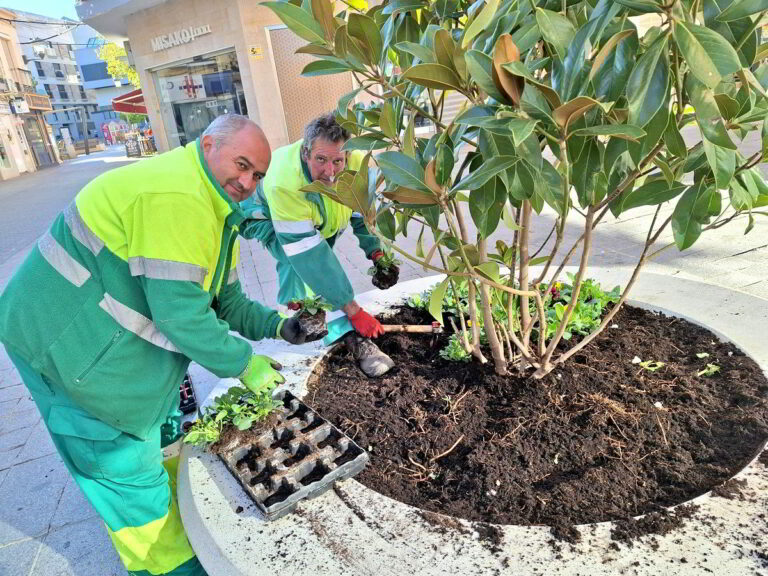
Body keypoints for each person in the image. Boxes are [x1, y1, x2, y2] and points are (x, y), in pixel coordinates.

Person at [0, 114, 307, 576]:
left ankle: (174, 513)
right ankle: (167, 565)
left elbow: (223, 298)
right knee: (126, 476)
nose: (247, 182)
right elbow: (180, 313)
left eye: (257, 175)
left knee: (162, 442)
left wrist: (279, 327)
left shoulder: (214, 204)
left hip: (109, 353)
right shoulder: (176, 198)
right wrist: (245, 363)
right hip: (65, 353)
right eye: (241, 165)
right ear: (208, 145)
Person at [239, 113, 400, 377]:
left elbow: (363, 216)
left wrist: (377, 254)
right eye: (321, 160)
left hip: (320, 219)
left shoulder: (356, 164)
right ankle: (346, 335)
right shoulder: (286, 183)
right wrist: (354, 310)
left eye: (338, 160)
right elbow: (308, 255)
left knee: (323, 268)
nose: (330, 171)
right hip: (264, 215)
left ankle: (312, 308)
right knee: (298, 261)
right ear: (305, 154)